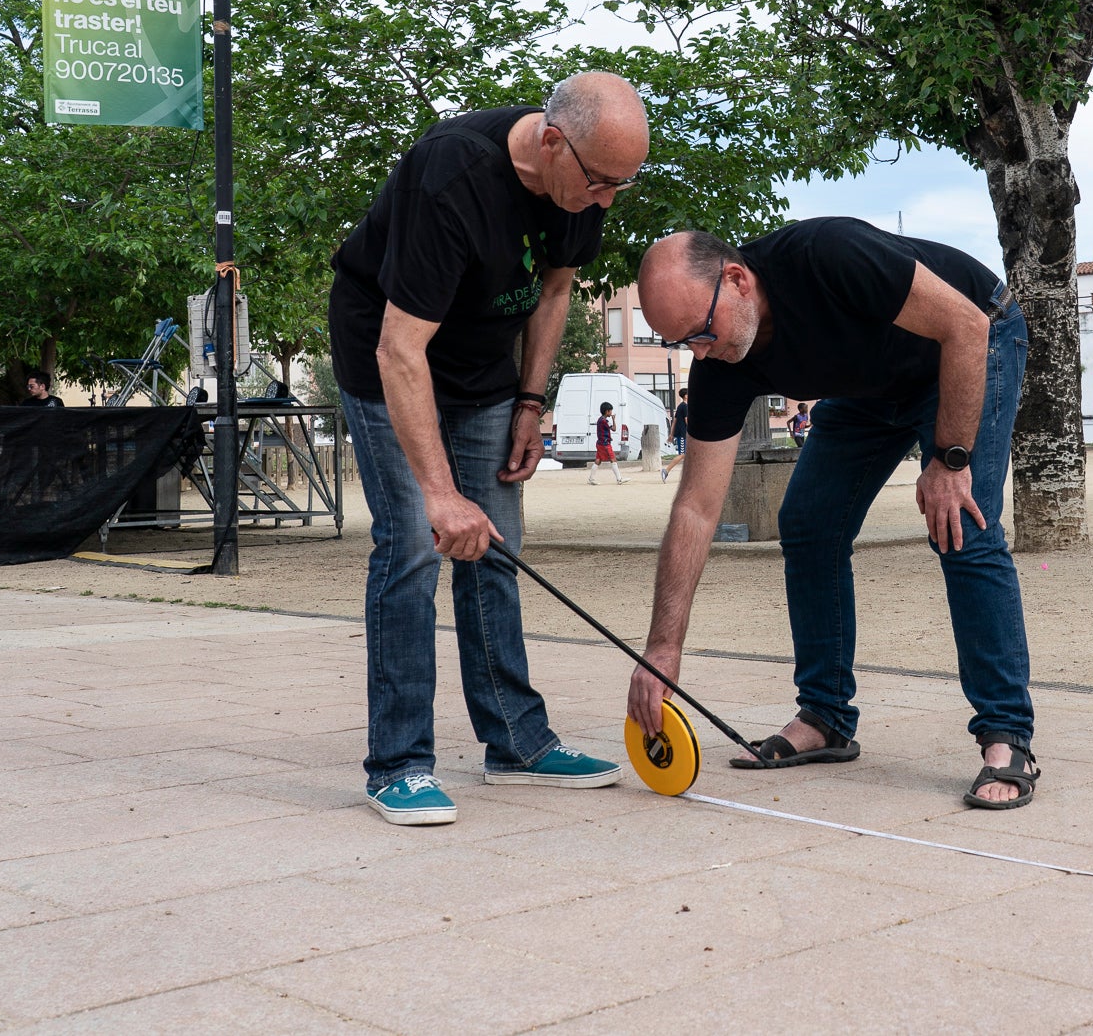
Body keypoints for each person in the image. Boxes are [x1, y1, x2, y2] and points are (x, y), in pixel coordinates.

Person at [326, 71, 648, 826]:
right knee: (412, 541)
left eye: (620, 186)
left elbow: (558, 288)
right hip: (390, 356)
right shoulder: (450, 177)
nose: (605, 200)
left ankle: (516, 742)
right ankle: (398, 763)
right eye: (599, 181)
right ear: (551, 141)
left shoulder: (586, 190)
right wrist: (441, 494)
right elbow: (401, 350)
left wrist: (530, 400)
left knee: (495, 545)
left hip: (482, 369)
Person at [630, 219, 1040, 810]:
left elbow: (965, 326)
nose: (698, 350)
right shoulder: (720, 362)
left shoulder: (829, 256)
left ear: (738, 280)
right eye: (679, 342)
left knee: (962, 526)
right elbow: (695, 509)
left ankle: (1007, 735)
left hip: (973, 342)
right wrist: (662, 650)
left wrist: (949, 462)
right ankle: (824, 716)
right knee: (809, 522)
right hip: (872, 388)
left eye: (699, 330)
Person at [589, 401, 628, 484]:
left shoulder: (600, 419)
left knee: (598, 460)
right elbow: (614, 428)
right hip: (605, 444)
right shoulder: (605, 421)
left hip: (600, 443)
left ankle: (591, 479)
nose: (611, 413)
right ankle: (619, 479)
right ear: (607, 411)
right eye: (610, 411)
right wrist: (614, 420)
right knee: (613, 459)